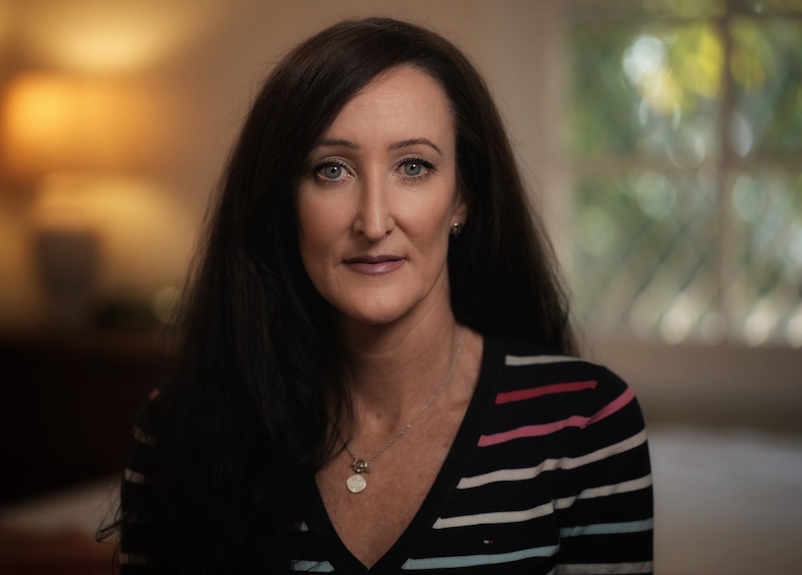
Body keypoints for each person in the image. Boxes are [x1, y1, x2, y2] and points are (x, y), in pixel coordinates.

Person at [107, 16, 653, 575]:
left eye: (413, 167)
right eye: (332, 170)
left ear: (462, 198)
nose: (372, 221)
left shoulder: (588, 426)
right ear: (284, 201)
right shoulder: (178, 429)